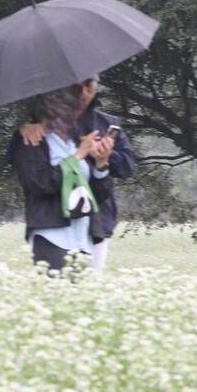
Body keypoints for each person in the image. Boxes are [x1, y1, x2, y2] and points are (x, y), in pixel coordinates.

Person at [19, 77, 136, 274]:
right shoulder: (36, 133)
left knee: (90, 284)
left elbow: (126, 168)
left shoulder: (106, 123)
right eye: (76, 86)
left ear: (96, 85)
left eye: (89, 85)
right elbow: (39, 180)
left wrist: (105, 156)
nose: (83, 92)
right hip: (52, 225)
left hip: (95, 224)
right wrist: (80, 153)